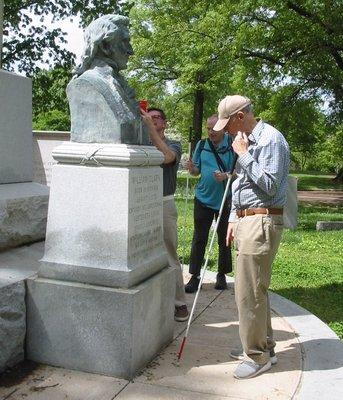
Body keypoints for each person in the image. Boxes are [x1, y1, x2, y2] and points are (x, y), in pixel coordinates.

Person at [213, 95, 289, 379]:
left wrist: (244, 154)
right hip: (248, 218)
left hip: (262, 219)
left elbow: (269, 185)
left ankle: (256, 356)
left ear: (240, 117)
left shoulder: (270, 140)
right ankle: (263, 346)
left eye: (228, 125)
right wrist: (234, 216)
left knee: (249, 292)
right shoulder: (246, 140)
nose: (227, 131)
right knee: (254, 289)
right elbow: (242, 183)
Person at [67, 14, 149, 145]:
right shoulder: (84, 84)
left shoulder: (118, 82)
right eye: (124, 41)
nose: (131, 51)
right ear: (105, 46)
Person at [141, 107, 189, 322]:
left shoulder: (173, 144)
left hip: (164, 205)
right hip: (141, 206)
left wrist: (150, 130)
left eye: (157, 118)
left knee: (169, 255)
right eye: (149, 117)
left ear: (164, 123)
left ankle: (179, 303)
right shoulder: (140, 145)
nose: (152, 120)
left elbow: (167, 157)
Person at [184, 115, 234, 293]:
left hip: (225, 200)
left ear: (223, 128)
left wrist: (226, 175)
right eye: (208, 129)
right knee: (199, 238)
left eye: (214, 129)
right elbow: (196, 171)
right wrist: (191, 168)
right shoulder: (202, 145)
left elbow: (240, 173)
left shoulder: (233, 145)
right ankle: (194, 276)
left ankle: (221, 275)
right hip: (203, 198)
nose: (210, 132)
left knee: (224, 239)